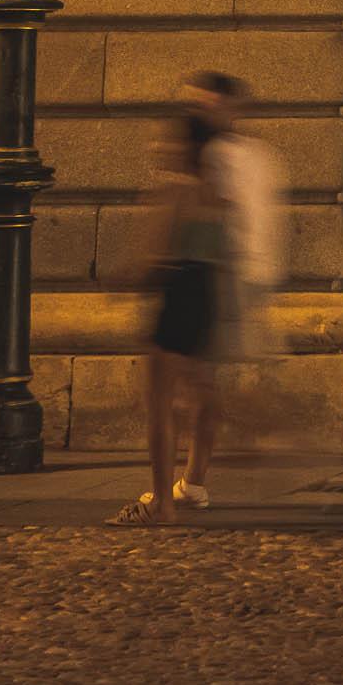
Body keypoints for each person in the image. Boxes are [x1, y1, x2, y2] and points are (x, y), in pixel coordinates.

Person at [167, 70, 283, 513]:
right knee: (196, 383)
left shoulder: (226, 157)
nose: (196, 111)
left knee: (191, 386)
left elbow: (235, 223)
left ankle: (194, 478)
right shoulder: (240, 154)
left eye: (204, 102)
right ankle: (193, 478)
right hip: (226, 277)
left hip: (219, 278)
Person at [112, 110, 229, 527]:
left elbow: (155, 255)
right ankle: (188, 484)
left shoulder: (175, 193)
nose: (160, 147)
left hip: (177, 296)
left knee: (160, 407)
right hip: (205, 297)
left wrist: (127, 281)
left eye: (169, 141)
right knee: (196, 395)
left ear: (187, 148)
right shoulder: (217, 194)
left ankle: (162, 501)